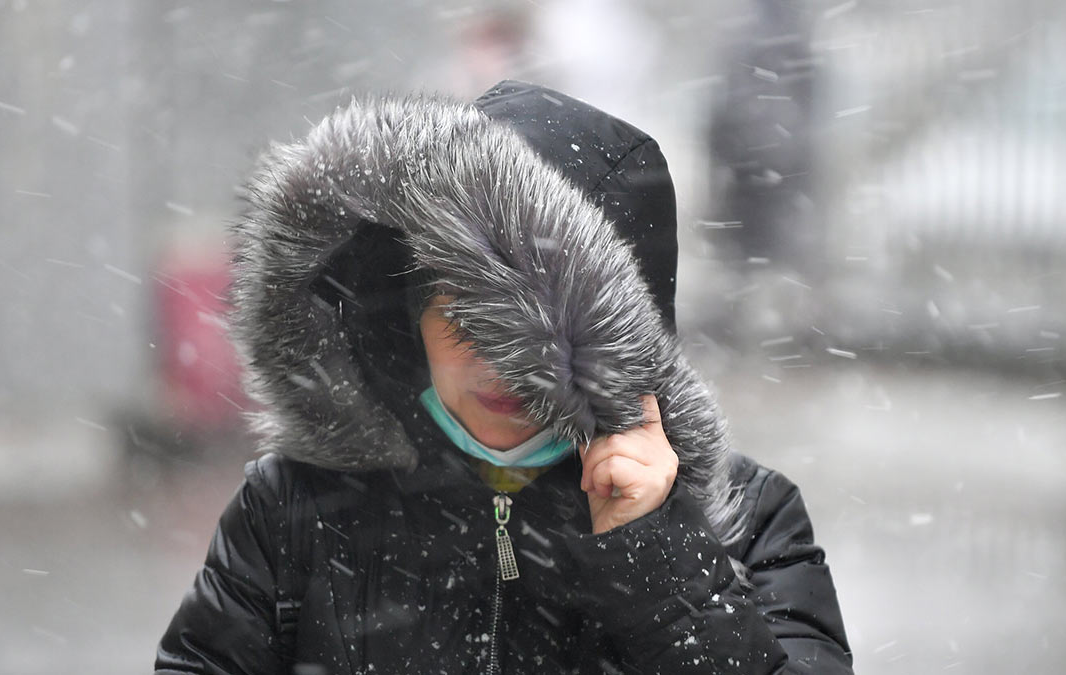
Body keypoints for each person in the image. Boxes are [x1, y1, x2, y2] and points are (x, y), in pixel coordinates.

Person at [154, 80, 852, 674]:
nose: (498, 366)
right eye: (465, 315)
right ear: (406, 318)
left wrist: (655, 556)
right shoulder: (293, 511)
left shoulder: (747, 519)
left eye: (542, 338)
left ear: (618, 337)